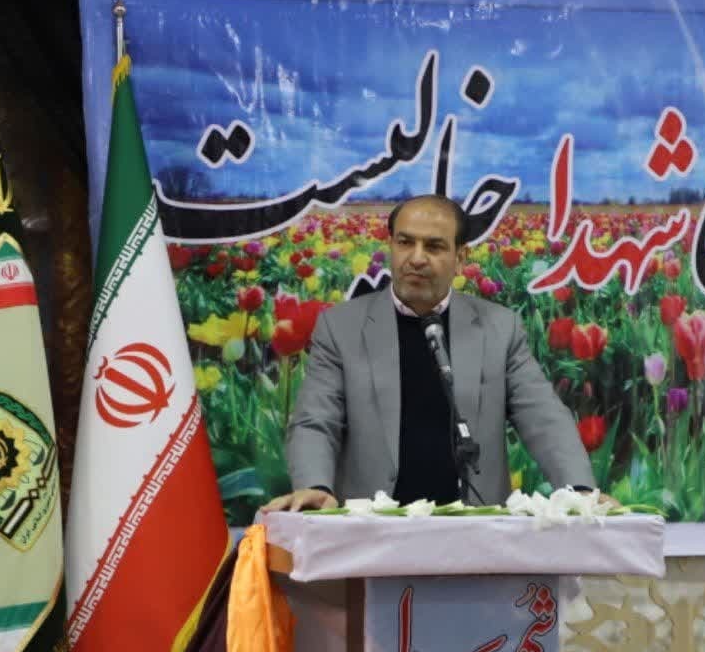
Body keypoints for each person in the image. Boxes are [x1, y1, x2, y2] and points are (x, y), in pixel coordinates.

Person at [264, 193, 616, 512]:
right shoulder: (341, 327)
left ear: (460, 257)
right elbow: (316, 419)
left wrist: (579, 490)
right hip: (372, 530)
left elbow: (543, 417)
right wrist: (315, 486)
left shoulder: (499, 328)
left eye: (433, 247)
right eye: (405, 242)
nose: (416, 258)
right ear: (391, 245)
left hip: (473, 531)